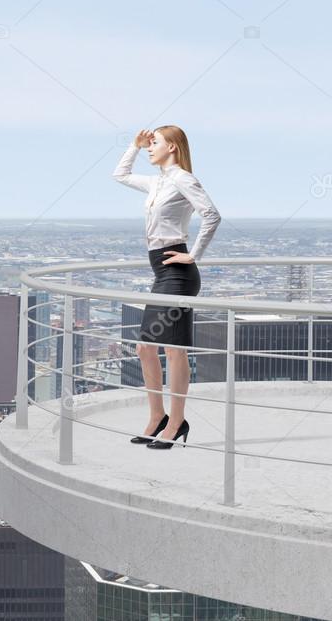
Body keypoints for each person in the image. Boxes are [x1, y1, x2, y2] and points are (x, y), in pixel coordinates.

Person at [112, 126, 221, 449]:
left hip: (178, 273)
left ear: (172, 147)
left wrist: (193, 255)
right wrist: (133, 145)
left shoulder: (183, 178)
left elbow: (212, 215)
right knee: (145, 347)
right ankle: (157, 415)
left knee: (174, 351)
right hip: (160, 272)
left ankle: (177, 420)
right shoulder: (157, 182)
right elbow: (120, 174)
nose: (150, 147)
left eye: (154, 142)